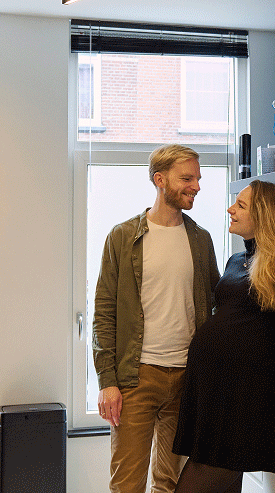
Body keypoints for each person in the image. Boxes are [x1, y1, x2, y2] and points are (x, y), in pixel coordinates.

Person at [172, 180, 275, 493]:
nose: (231, 209)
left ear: (264, 216)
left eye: (240, 205)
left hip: (245, 388)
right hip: (211, 385)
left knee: (207, 472)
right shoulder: (235, 261)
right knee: (222, 475)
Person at [92, 144, 222, 493]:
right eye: (187, 178)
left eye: (198, 178)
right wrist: (107, 380)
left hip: (185, 378)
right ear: (160, 180)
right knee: (127, 484)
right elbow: (104, 311)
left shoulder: (201, 240)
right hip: (136, 378)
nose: (196, 186)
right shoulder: (122, 238)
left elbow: (216, 307)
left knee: (169, 483)